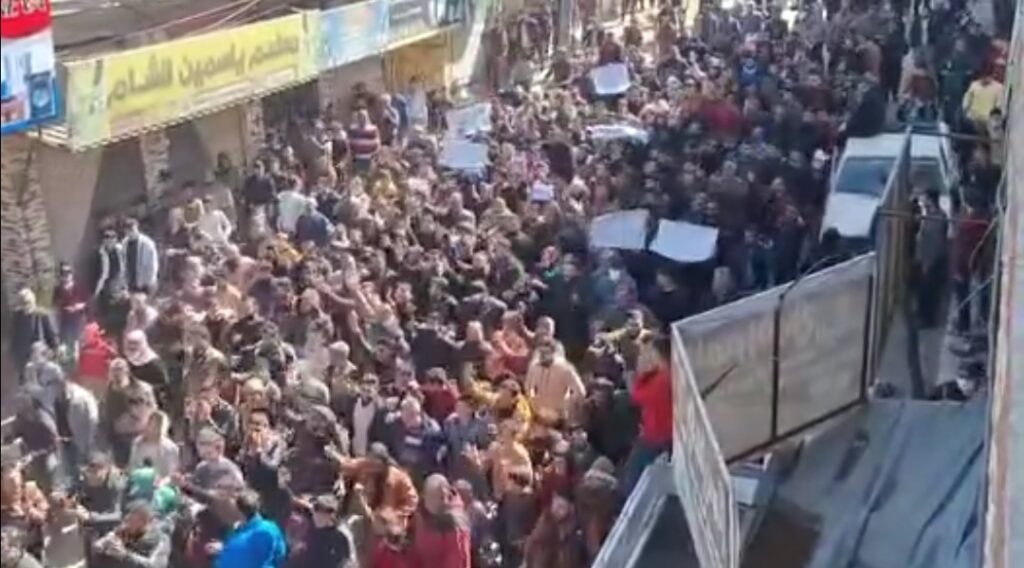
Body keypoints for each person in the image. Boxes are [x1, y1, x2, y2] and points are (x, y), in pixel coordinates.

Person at [621, 332, 673, 494]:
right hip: (655, 434)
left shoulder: (664, 378)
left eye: (647, 352)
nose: (642, 357)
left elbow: (638, 397)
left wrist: (635, 376)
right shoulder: (660, 375)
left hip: (658, 437)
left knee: (632, 477)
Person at [210, 491, 287, 568]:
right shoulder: (237, 530)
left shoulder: (264, 531)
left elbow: (248, 555)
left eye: (231, 510)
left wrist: (225, 550)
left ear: (240, 512)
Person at [409, 474, 471, 568]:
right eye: (430, 497)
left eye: (437, 497)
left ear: (445, 495)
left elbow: (457, 561)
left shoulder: (454, 522)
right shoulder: (419, 518)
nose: (432, 502)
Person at [92, 501, 170, 568]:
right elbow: (98, 546)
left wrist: (126, 556)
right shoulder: (124, 531)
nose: (128, 525)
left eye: (133, 521)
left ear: (144, 522)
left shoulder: (161, 540)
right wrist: (104, 544)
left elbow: (155, 566)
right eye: (127, 521)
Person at [10, 289, 57, 379]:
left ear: (33, 302)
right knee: (25, 381)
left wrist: (53, 350)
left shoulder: (41, 315)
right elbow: (14, 336)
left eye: (28, 303)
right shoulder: (17, 316)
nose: (26, 307)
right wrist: (14, 355)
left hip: (39, 355)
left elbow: (50, 334)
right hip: (23, 358)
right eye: (23, 304)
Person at [122, 219, 160, 293]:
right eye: (128, 230)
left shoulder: (147, 243)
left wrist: (151, 280)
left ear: (137, 228)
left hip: (145, 282)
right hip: (130, 281)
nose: (130, 232)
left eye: (132, 230)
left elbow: (153, 263)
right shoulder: (124, 243)